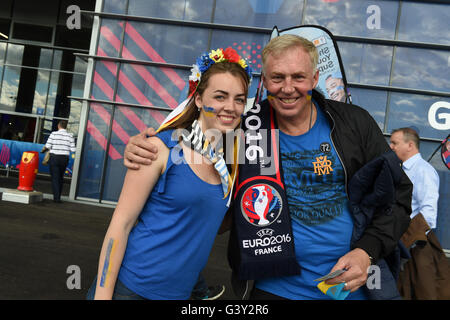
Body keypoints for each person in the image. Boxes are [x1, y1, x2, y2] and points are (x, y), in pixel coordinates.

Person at [124, 35, 412, 300]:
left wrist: (367, 251)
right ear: (266, 80)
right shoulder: (245, 130)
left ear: (314, 78)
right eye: (277, 78)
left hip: (348, 289)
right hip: (270, 289)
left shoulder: (354, 124)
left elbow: (398, 196)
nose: (288, 88)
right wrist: (148, 144)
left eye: (298, 77)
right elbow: (191, 149)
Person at [87, 47, 252, 300]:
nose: (230, 107)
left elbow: (210, 224)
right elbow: (121, 225)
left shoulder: (232, 160)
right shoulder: (159, 148)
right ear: (198, 100)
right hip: (130, 291)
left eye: (239, 99)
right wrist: (102, 295)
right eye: (220, 97)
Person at [389, 127, 439, 229]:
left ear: (410, 145)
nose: (391, 146)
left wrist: (411, 241)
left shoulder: (424, 171)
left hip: (405, 239)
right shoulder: (398, 168)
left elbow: (428, 213)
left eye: (395, 143)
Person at [44, 120, 76, 203]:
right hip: (64, 158)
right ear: (66, 127)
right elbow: (73, 149)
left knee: (55, 177)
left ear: (59, 126)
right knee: (60, 177)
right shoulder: (70, 136)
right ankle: (58, 196)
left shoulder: (53, 134)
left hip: (54, 158)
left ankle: (57, 198)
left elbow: (47, 146)